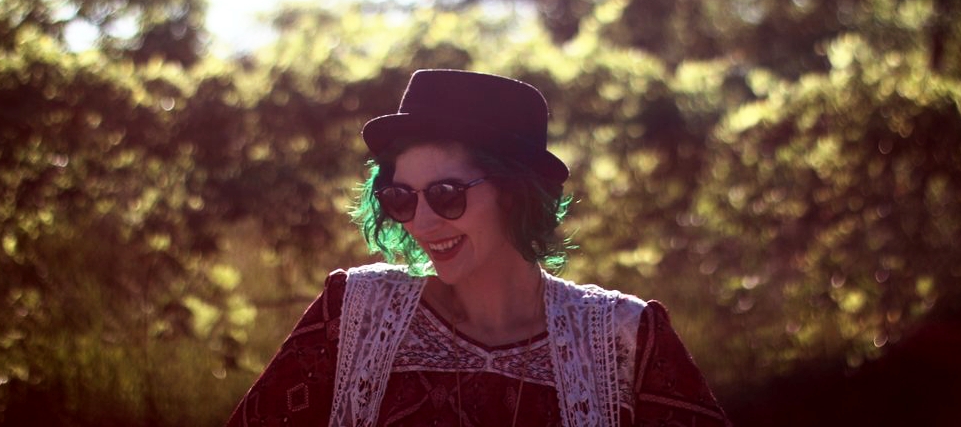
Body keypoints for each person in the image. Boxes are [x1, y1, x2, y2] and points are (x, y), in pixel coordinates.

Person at [224, 69, 729, 427]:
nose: (421, 222)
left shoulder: (628, 339)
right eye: (401, 198)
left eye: (447, 195)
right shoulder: (350, 314)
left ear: (514, 192)